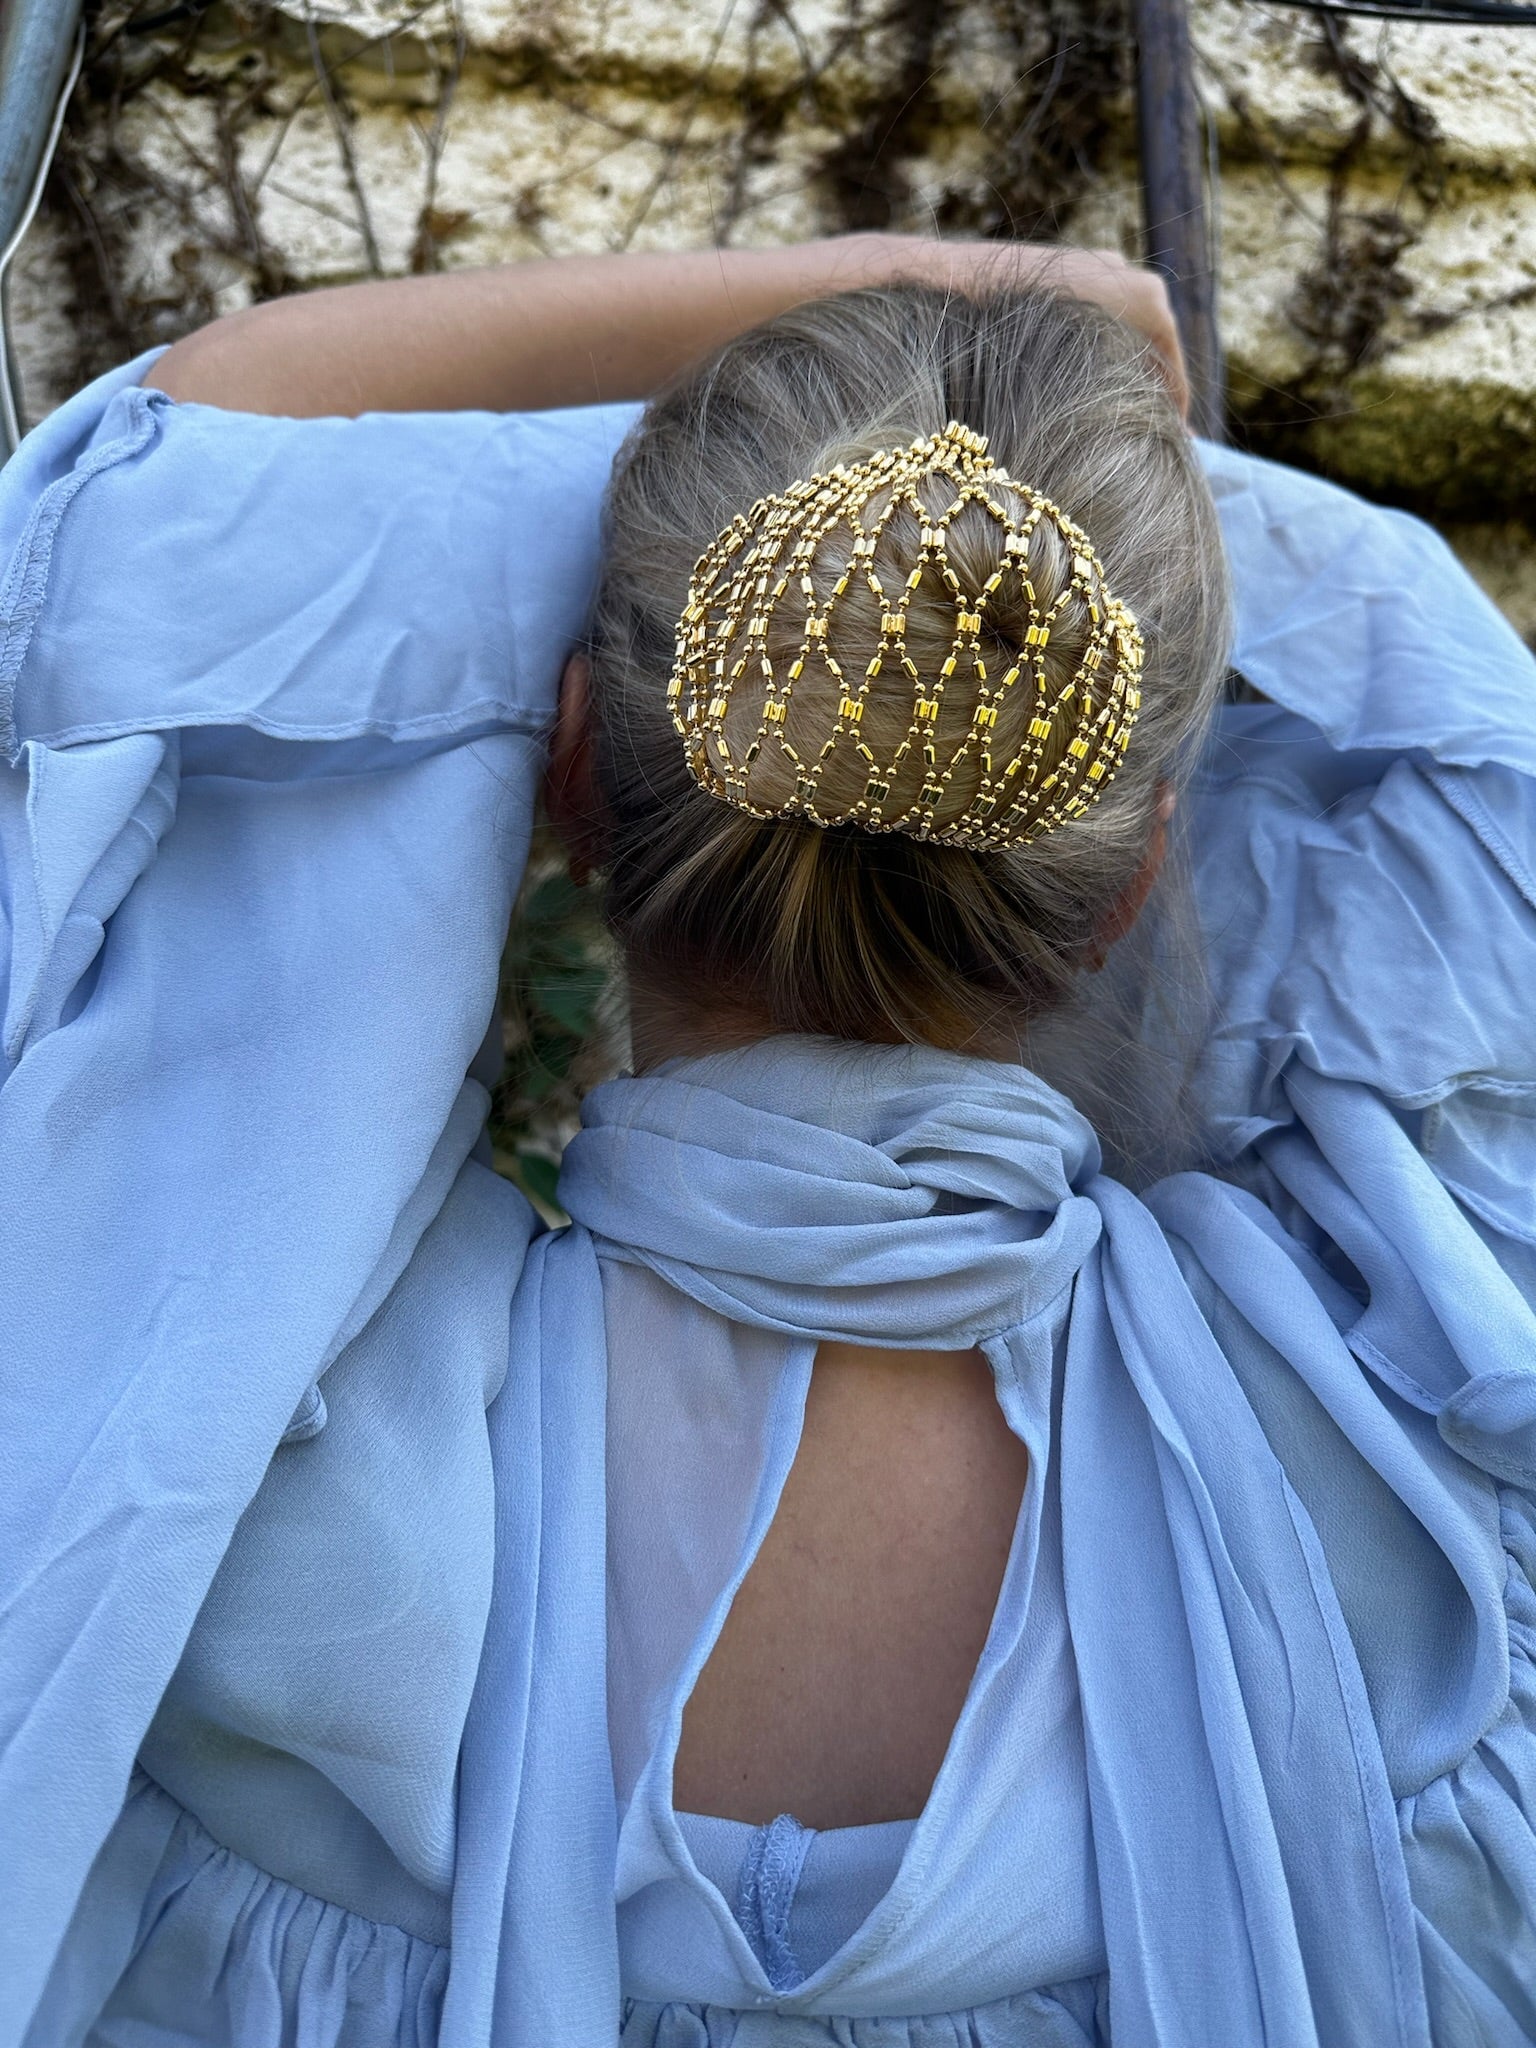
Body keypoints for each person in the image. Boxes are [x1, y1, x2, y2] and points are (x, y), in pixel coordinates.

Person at [1, 232, 1533, 2048]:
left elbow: (151, 501)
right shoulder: (1425, 1440)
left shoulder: (203, 1496)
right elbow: (1457, 734)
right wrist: (1057, 492)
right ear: (1137, 877)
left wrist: (967, 293)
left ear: (569, 766)